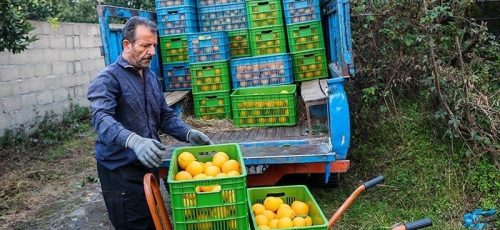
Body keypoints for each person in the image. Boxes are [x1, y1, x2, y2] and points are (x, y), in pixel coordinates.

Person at [87, 16, 212, 229]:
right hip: (121, 172)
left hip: (148, 165)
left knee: (152, 221)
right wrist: (134, 140)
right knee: (134, 224)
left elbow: (164, 115)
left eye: (153, 45)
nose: (152, 52)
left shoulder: (150, 77)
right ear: (127, 44)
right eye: (145, 46)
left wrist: (188, 133)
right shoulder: (108, 79)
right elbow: (101, 118)